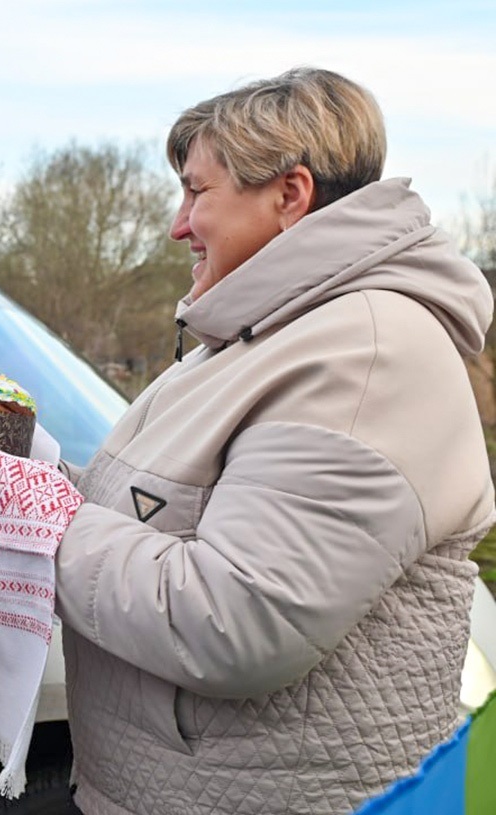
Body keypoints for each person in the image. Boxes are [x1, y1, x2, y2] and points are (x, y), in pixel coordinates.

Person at [53, 68, 496, 814]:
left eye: (199, 192)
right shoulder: (259, 337)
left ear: (290, 195)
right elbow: (150, 508)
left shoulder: (364, 355)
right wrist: (26, 472)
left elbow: (239, 618)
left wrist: (37, 525)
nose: (178, 222)